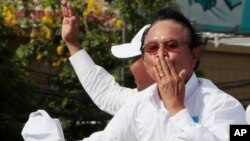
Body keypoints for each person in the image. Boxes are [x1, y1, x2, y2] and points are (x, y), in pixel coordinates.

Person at [83, 7, 247, 141]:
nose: (161, 55)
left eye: (171, 45)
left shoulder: (224, 105)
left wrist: (177, 109)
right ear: (145, 61)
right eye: (152, 48)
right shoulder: (139, 103)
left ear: (194, 56)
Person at [61, 0, 154, 115]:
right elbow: (105, 93)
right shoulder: (143, 101)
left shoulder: (177, 105)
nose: (131, 66)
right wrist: (72, 42)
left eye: (135, 58)